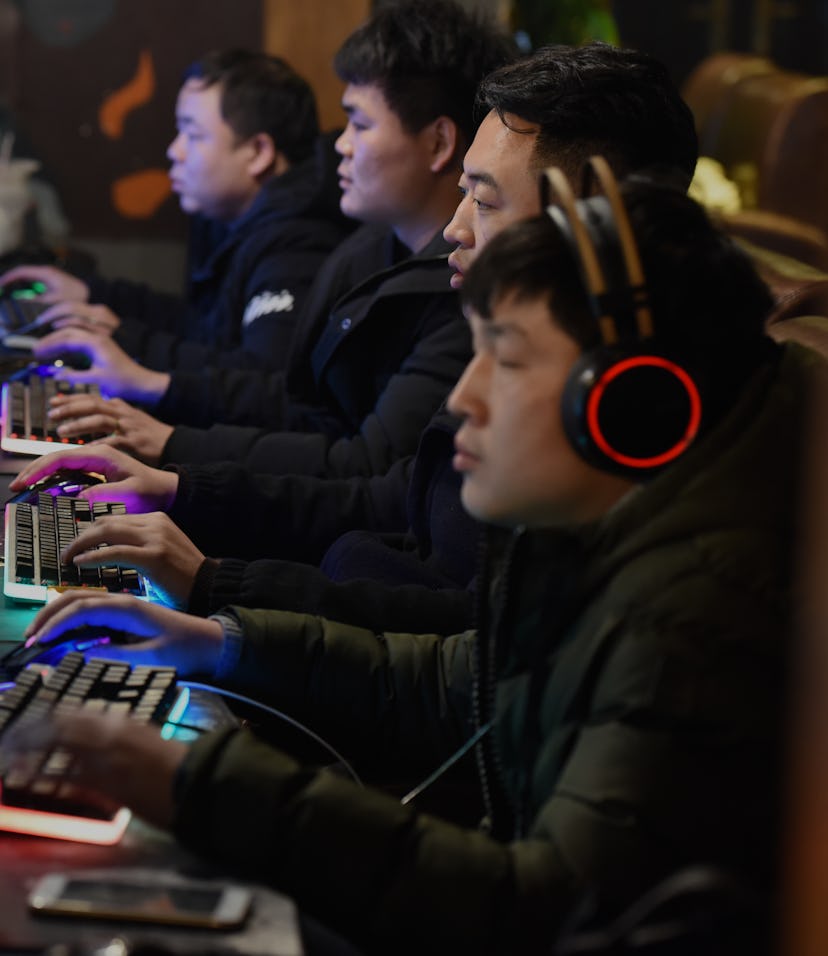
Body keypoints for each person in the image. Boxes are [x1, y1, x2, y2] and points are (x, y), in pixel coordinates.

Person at [3, 173, 798, 954]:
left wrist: (199, 781)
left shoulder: (696, 616)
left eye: (507, 361)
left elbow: (538, 908)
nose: (464, 399)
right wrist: (218, 641)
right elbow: (455, 680)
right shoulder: (611, 533)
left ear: (629, 409)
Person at [9, 42, 699, 631]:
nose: (457, 228)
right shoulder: (386, 262)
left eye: (484, 201)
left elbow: (457, 645)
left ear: (595, 225)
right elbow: (394, 499)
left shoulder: (611, 404)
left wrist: (212, 577)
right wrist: (179, 490)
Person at [16, 0, 515, 477]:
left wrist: (170, 438)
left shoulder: (441, 286)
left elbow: (362, 466)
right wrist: (116, 325)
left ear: (438, 143)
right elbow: (300, 402)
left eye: (359, 124)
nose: (339, 144)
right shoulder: (365, 250)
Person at [0, 50, 351, 375]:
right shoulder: (239, 219)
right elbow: (204, 332)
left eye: (193, 135)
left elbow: (258, 381)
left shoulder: (298, 247)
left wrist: (126, 340)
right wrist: (93, 296)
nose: (174, 150)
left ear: (258, 152)